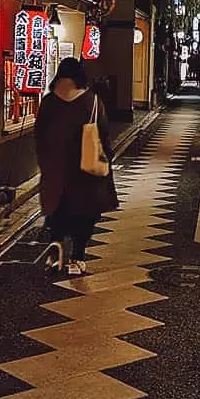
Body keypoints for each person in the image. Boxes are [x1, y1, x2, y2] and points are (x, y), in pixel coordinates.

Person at [35, 57, 119, 276]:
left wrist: (45, 164)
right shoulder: (92, 101)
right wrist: (107, 158)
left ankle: (55, 250)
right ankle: (77, 258)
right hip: (84, 172)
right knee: (84, 214)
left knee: (56, 210)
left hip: (55, 171)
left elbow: (39, 137)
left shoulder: (49, 102)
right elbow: (104, 135)